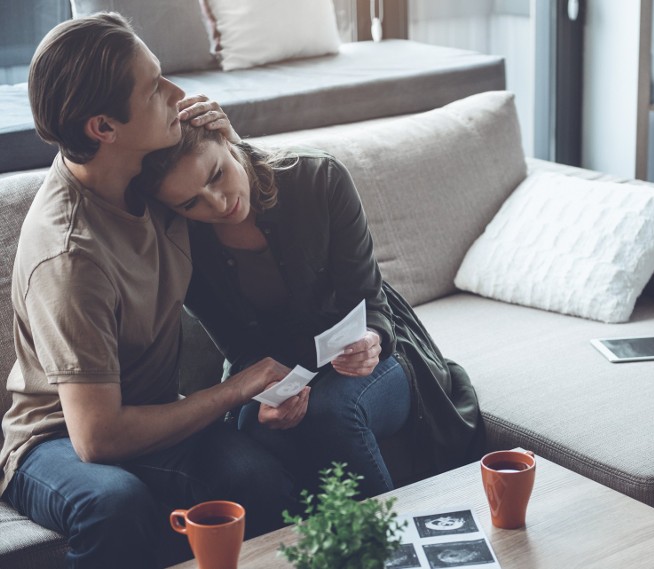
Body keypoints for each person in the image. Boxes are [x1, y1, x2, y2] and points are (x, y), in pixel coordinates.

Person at [0, 13, 301, 568]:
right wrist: (237, 389)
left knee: (256, 475)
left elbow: (250, 199)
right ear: (103, 128)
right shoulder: (70, 253)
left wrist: (227, 141)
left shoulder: (151, 176)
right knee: (115, 501)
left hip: (152, 412)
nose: (177, 93)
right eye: (154, 86)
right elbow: (97, 438)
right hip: (55, 437)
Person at [131, 122, 486, 498]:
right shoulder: (184, 244)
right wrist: (263, 398)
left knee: (333, 412)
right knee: (256, 427)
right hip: (279, 365)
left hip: (376, 346)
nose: (217, 203)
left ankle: (379, 549)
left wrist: (370, 340)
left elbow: (370, 301)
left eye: (217, 175)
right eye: (191, 203)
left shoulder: (318, 178)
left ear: (226, 140)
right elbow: (239, 348)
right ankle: (312, 548)